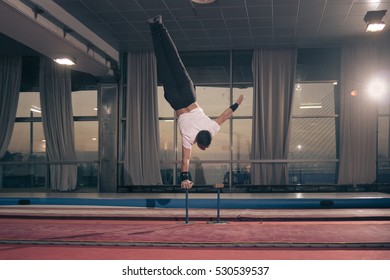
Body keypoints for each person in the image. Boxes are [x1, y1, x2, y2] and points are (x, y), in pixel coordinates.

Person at [148, 15, 244, 190]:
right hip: (176, 101)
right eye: (203, 147)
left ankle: (160, 26)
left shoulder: (212, 128)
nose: (204, 148)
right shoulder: (188, 140)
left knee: (175, 59)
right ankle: (153, 28)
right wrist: (184, 178)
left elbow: (225, 115)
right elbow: (184, 161)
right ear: (199, 142)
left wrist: (237, 103)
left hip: (188, 94)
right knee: (163, 63)